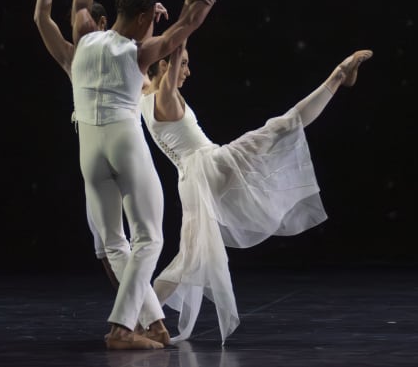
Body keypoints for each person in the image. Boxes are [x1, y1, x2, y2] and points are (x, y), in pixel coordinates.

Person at [140, 39, 373, 344]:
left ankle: (139, 318)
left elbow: (140, 58)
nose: (188, 71)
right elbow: (176, 41)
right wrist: (184, 26)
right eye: (182, 63)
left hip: (192, 181)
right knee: (281, 127)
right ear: (165, 66)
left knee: (189, 259)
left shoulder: (143, 91)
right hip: (210, 167)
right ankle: (337, 76)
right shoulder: (165, 96)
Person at [71, 0, 227, 349]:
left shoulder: (83, 35)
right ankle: (121, 329)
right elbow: (189, 24)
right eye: (150, 20)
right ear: (143, 19)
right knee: (150, 238)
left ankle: (152, 322)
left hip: (88, 148)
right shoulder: (139, 53)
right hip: (123, 141)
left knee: (115, 243)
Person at [32, 0, 169, 291]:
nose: (79, 25)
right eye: (76, 22)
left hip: (119, 139)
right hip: (109, 142)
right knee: (109, 242)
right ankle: (134, 307)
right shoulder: (76, 55)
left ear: (106, 22)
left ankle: (137, 307)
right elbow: (43, 18)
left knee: (133, 237)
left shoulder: (124, 49)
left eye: (85, 21)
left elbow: (140, 3)